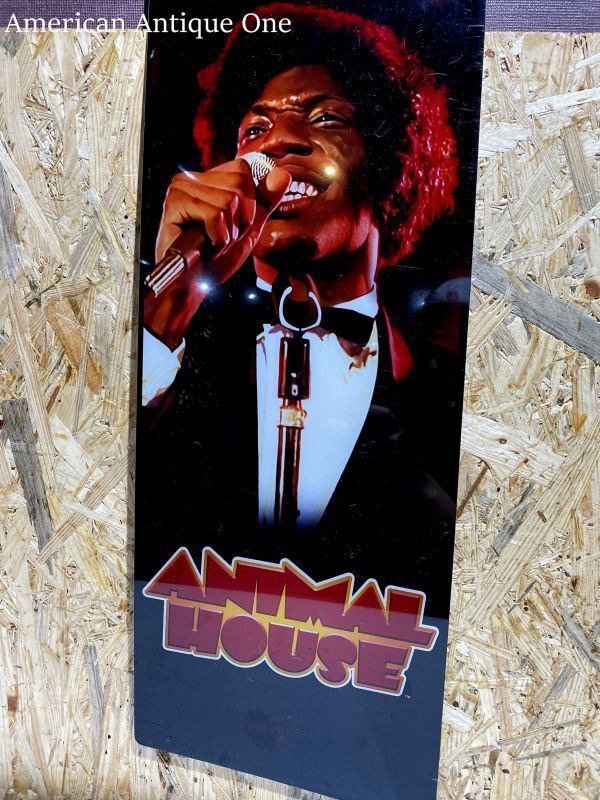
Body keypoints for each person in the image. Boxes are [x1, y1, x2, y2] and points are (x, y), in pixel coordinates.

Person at [139, 3, 464, 614]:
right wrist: (168, 305)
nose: (280, 140)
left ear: (392, 162)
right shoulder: (167, 360)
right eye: (254, 131)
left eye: (326, 118)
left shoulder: (448, 392)